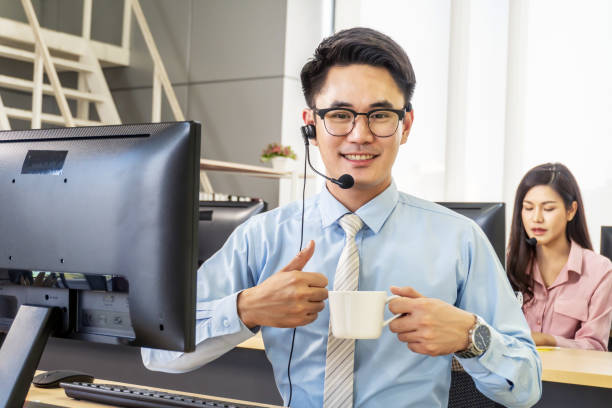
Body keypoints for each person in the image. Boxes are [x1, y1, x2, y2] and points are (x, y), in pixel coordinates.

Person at [142, 27, 541, 407]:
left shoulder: (460, 240)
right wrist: (245, 308)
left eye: (380, 115)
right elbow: (157, 354)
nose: (360, 135)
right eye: (339, 114)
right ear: (310, 126)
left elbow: (526, 389)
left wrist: (471, 337)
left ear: (406, 126)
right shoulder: (263, 237)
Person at [506, 163, 612, 351]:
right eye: (528, 208)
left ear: (571, 211)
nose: (536, 218)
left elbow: (595, 346)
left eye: (548, 209)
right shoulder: (507, 265)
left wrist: (548, 340)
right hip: (514, 377)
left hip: (568, 379)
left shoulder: (600, 270)